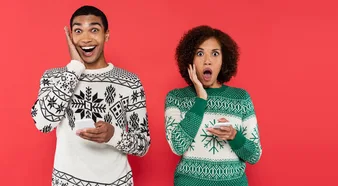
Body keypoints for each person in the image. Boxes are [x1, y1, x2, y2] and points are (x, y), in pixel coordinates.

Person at [30, 5, 151, 186]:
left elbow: (143, 145)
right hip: (66, 182)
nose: (86, 38)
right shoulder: (54, 77)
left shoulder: (130, 82)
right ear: (70, 37)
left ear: (106, 35)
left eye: (94, 30)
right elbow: (43, 123)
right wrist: (75, 68)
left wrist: (113, 135)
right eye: (78, 31)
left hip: (116, 182)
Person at [165, 25, 262, 185]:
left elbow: (254, 155)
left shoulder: (241, 99)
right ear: (190, 59)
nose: (207, 60)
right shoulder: (176, 98)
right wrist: (201, 99)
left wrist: (234, 136)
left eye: (215, 54)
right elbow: (177, 146)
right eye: (200, 53)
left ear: (224, 60)